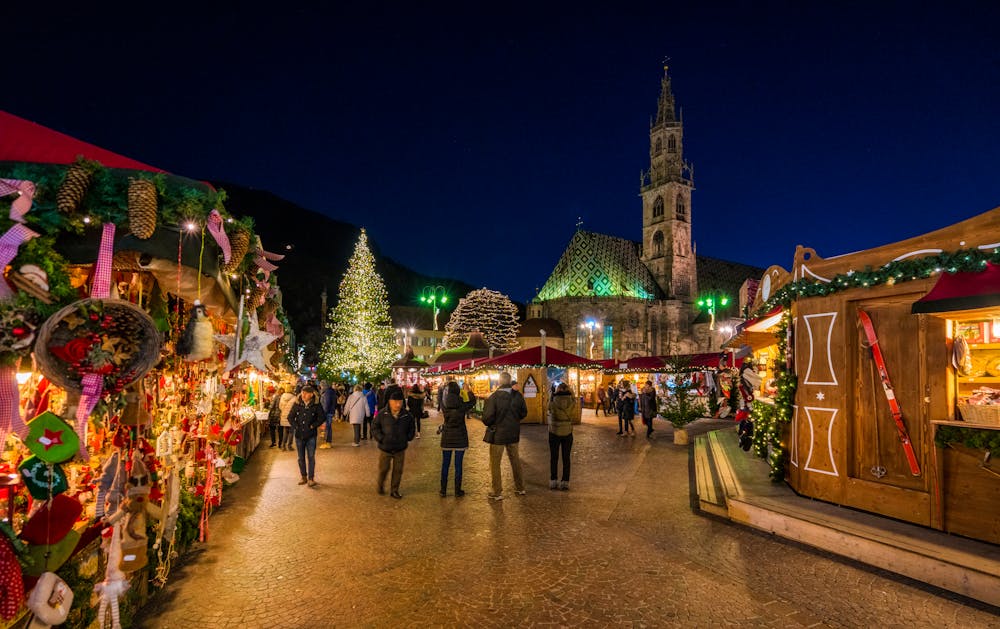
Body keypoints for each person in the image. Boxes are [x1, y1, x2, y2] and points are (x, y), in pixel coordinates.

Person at [482, 371, 528, 501]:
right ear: (510, 381)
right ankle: (520, 487)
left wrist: (493, 422)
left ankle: (497, 491)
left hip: (498, 435)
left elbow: (487, 418)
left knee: (495, 463)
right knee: (515, 460)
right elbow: (524, 413)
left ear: (500, 382)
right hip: (513, 433)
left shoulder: (494, 397)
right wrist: (514, 420)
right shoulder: (518, 396)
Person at [372, 390, 415, 499]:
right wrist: (381, 438)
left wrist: (408, 437)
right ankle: (380, 485)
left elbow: (411, 428)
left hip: (400, 448)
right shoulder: (382, 414)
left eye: (400, 402)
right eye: (395, 402)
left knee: (398, 470)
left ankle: (394, 490)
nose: (398, 404)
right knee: (383, 469)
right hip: (385, 448)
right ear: (390, 402)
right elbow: (375, 427)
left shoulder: (407, 415)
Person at [440, 381, 474, 497]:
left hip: (447, 436)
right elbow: (472, 402)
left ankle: (443, 490)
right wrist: (468, 391)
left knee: (445, 464)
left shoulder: (444, 403)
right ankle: (457, 490)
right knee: (458, 465)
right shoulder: (462, 403)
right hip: (460, 437)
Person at [287, 385, 325, 487]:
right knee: (301, 457)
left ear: (311, 394)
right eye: (302, 392)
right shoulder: (297, 403)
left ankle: (311, 478)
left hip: (311, 436)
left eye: (306, 393)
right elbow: (290, 417)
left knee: (311, 457)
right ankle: (303, 476)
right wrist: (296, 427)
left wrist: (313, 425)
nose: (303, 395)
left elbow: (322, 417)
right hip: (299, 435)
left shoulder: (316, 404)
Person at [548, 382, 576, 490]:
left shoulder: (553, 401)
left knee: (554, 458)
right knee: (566, 458)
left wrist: (552, 394)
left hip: (554, 432)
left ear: (557, 390)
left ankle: (553, 480)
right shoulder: (571, 402)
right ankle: (565, 481)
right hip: (567, 432)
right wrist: (571, 390)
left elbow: (548, 407)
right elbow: (574, 399)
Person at [319, 381, 336, 449]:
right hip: (329, 412)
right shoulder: (329, 391)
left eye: (321, 386)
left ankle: (327, 442)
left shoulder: (327, 392)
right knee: (327, 427)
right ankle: (327, 441)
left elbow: (326, 404)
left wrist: (323, 413)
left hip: (327, 412)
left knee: (327, 427)